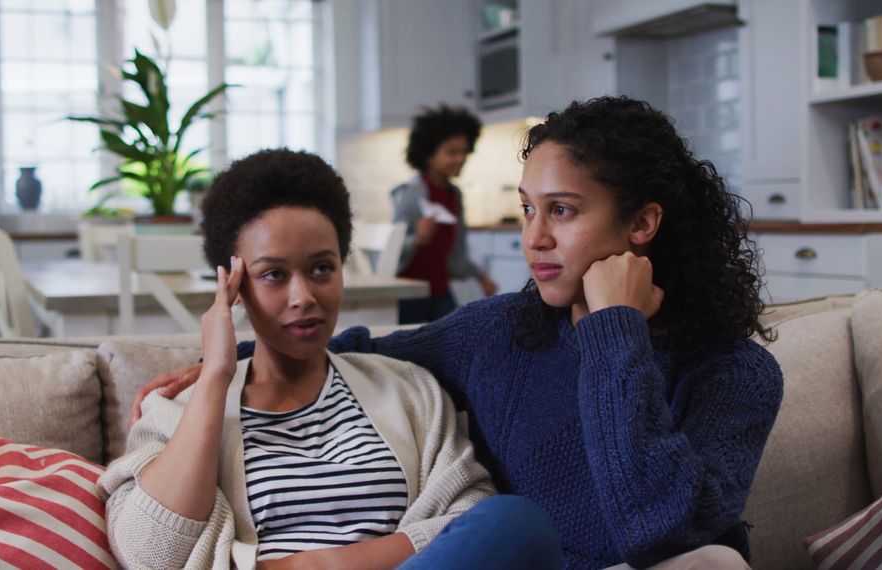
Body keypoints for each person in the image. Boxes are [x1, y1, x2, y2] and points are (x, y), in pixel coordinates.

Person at [133, 97, 785, 569]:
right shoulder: (501, 333)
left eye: (562, 210)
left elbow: (662, 535)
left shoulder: (736, 374)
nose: (534, 238)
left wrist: (615, 332)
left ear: (641, 224)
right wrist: (226, 361)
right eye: (529, 209)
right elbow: (356, 353)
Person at [99, 149, 561, 570]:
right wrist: (217, 373)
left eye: (322, 268)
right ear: (234, 287)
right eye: (274, 275)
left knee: (515, 521)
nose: (304, 297)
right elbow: (150, 555)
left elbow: (469, 517)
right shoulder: (180, 408)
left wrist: (320, 564)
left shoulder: (409, 390)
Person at [391, 105, 498, 324]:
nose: (460, 158)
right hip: (409, 294)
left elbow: (457, 251)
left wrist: (482, 276)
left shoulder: (454, 195)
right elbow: (392, 249)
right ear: (428, 155)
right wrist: (417, 241)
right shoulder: (411, 194)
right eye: (452, 152)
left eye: (464, 152)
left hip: (440, 291)